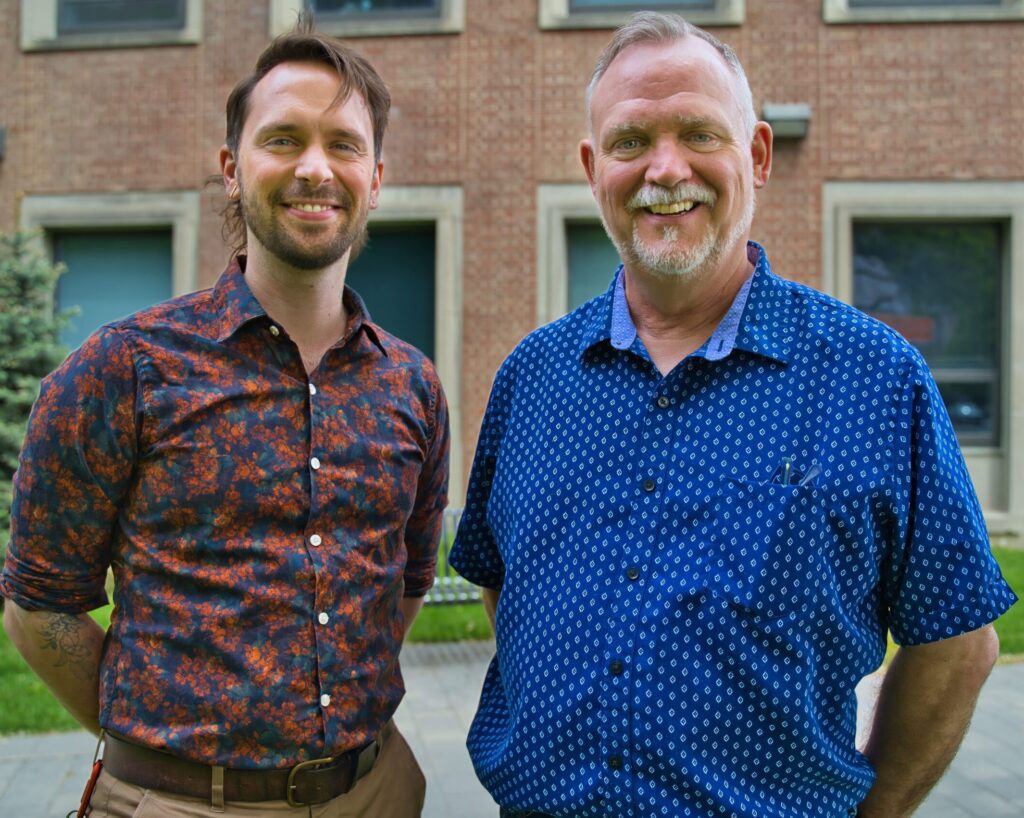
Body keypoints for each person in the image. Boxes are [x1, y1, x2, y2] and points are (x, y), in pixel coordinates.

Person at [450, 11, 1016, 818]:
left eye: (698, 134)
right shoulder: (532, 378)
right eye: (630, 141)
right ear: (592, 168)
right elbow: (504, 586)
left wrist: (878, 810)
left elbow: (958, 641)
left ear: (756, 155)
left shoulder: (876, 380)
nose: (665, 168)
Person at [1, 15, 448, 818]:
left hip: (374, 792)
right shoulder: (126, 369)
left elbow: (407, 585)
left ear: (375, 178)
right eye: (283, 139)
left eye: (343, 145)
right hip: (176, 803)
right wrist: (159, 743)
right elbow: (40, 605)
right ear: (232, 170)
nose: (315, 168)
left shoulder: (411, 386)